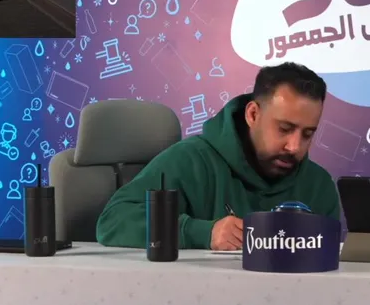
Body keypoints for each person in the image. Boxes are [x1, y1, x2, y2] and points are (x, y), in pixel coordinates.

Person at [96, 62, 340, 250]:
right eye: (284, 129)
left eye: (307, 134)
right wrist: (203, 233)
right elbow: (113, 220)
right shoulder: (189, 160)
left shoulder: (319, 186)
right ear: (253, 115)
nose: (294, 147)